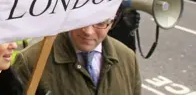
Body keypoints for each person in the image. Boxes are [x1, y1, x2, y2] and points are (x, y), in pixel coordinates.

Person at [13, 19, 142, 95]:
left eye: (100, 23)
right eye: (81, 21)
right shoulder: (30, 61)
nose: (88, 31)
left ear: (112, 22)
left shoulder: (128, 58)